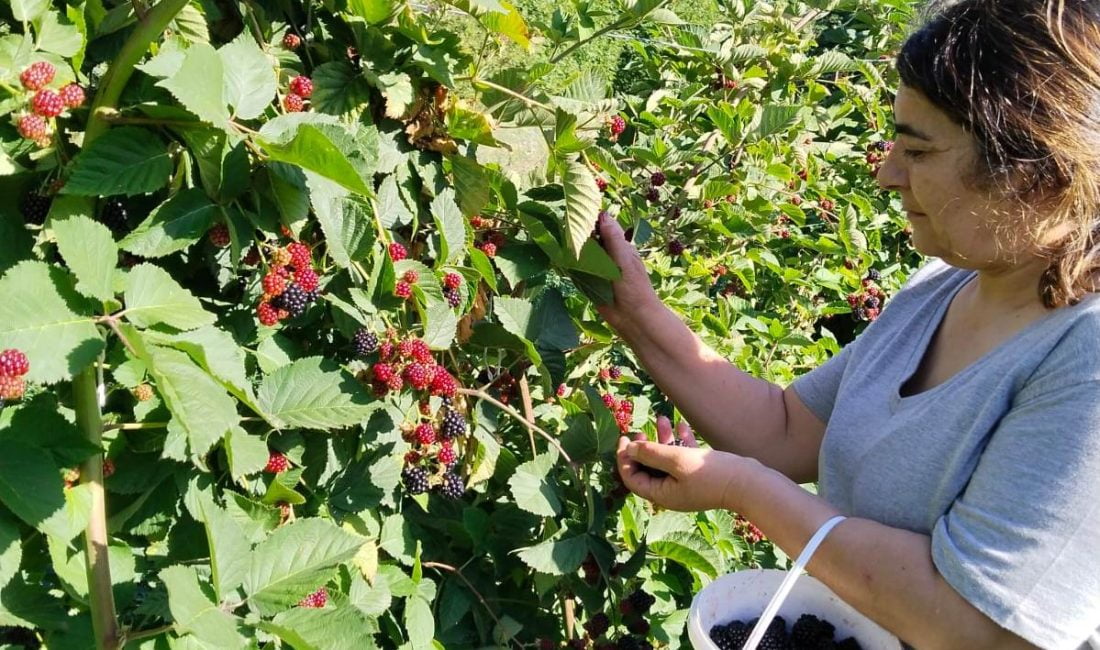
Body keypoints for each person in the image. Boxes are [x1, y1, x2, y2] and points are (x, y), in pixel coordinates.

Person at [596, 1, 1100, 648]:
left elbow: (975, 624)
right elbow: (783, 431)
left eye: (917, 149)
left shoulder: (1083, 353)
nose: (889, 173)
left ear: (1036, 172)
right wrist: (635, 309)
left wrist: (745, 492)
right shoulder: (942, 289)